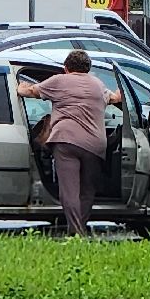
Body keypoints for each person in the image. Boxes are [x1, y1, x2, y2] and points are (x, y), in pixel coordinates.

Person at [17, 49, 121, 237]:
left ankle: (76, 232)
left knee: (69, 190)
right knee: (88, 190)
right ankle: (80, 228)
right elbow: (114, 98)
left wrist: (20, 88)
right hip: (95, 144)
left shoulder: (59, 81)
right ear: (88, 68)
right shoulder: (98, 84)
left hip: (66, 141)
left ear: (66, 68)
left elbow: (32, 91)